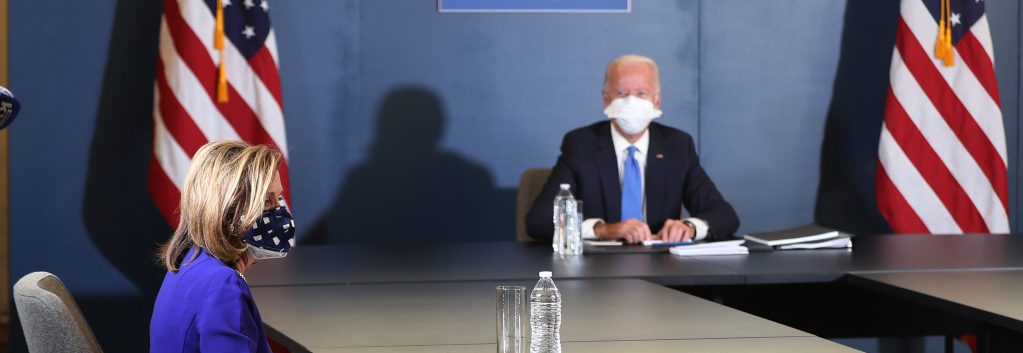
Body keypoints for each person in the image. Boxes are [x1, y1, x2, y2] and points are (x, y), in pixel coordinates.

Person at [526, 54, 739, 244]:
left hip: (663, 268)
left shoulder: (677, 145)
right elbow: (539, 222)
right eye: (621, 93)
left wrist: (689, 228)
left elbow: (724, 215)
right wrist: (602, 229)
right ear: (606, 99)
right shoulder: (581, 144)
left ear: (656, 101)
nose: (631, 101)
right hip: (597, 271)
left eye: (641, 93)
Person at [150, 140, 296, 353]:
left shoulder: (189, 262)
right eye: (266, 201)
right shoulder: (223, 286)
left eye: (278, 199)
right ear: (229, 210)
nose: (278, 212)